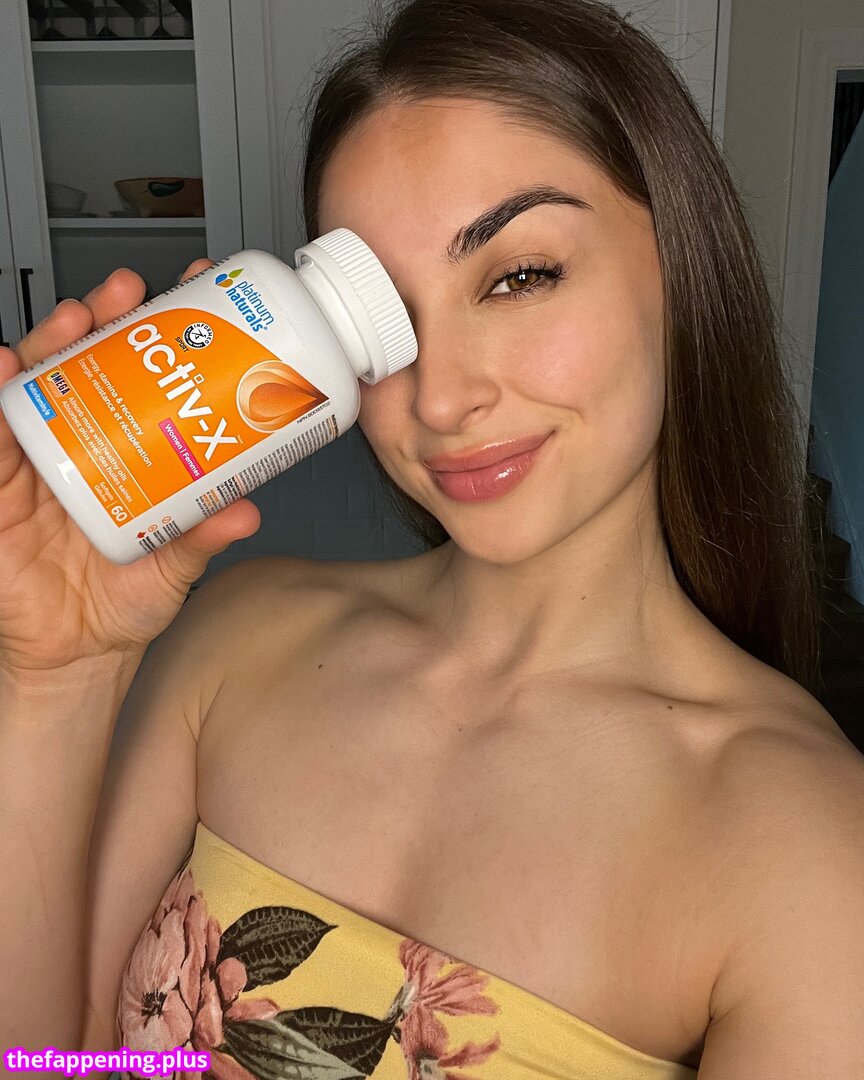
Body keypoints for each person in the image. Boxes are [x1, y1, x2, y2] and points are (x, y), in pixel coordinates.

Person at [1, 0, 862, 1077]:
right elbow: (53, 1059)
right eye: (385, 324)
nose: (441, 398)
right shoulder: (241, 636)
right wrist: (56, 677)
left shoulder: (808, 843)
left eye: (518, 276)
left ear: (681, 267)